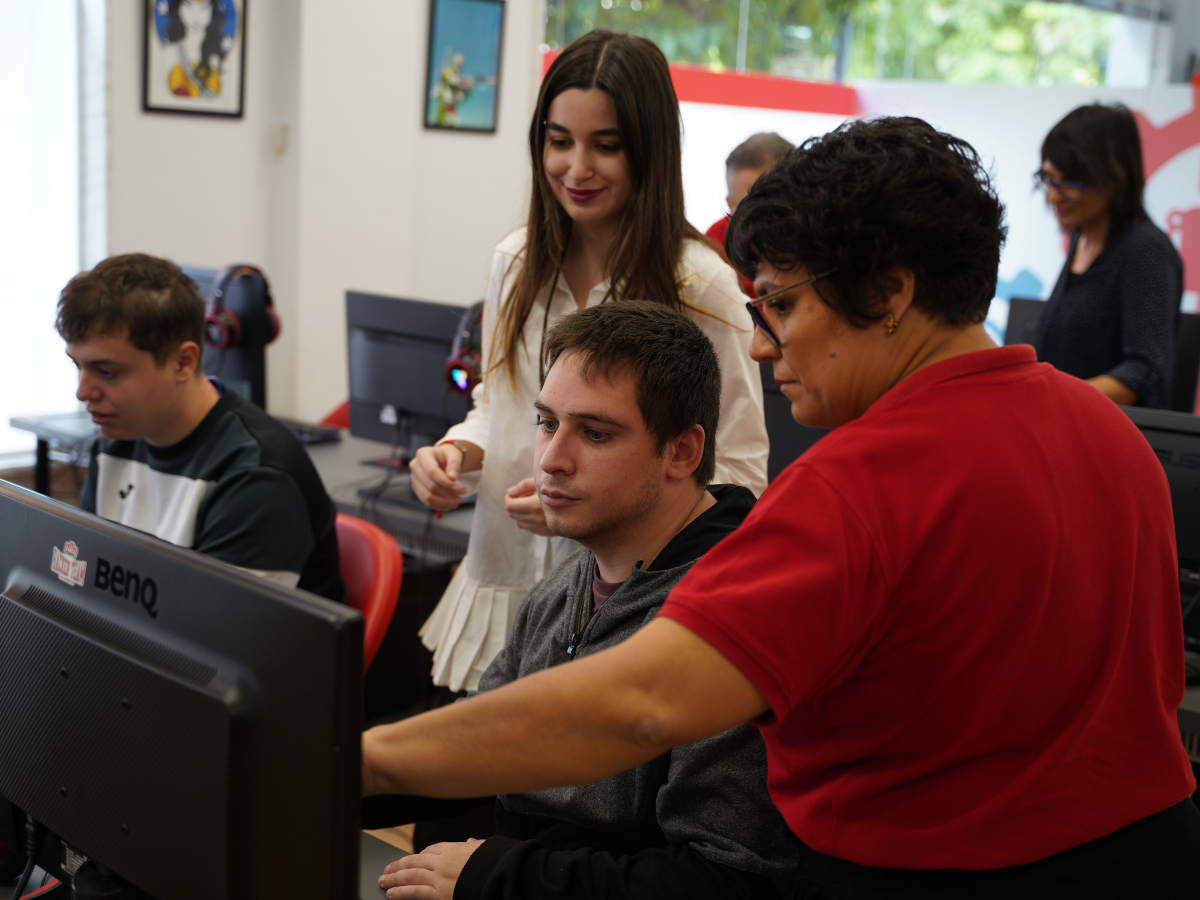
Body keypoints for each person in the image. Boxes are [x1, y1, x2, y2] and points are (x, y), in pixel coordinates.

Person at [363, 117, 1200, 898]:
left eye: (784, 305)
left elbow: (642, 703)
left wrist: (367, 758)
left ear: (891, 290)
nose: (762, 345)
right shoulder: (1114, 435)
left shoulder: (865, 481)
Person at [368, 301, 799, 900]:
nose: (551, 459)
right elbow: (484, 745)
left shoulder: (732, 618)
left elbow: (726, 878)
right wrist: (331, 771)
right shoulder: (567, 583)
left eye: (595, 433)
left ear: (681, 452)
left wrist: (496, 876)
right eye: (547, 423)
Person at [411, 30, 769, 692]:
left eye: (605, 146)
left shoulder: (700, 284)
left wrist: (598, 510)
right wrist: (456, 454)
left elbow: (740, 478)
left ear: (649, 150)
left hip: (627, 612)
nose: (576, 168)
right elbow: (500, 408)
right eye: (558, 141)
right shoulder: (515, 263)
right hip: (504, 577)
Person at [56, 253, 344, 602]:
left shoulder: (256, 478)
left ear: (183, 362)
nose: (83, 391)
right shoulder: (115, 444)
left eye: (107, 372)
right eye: (78, 366)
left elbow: (213, 643)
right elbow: (89, 589)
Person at [1033, 102, 1183, 409]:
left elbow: (1145, 371)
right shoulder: (1083, 239)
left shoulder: (1146, 251)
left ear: (1116, 177)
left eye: (1069, 184)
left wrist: (1055, 400)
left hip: (1105, 434)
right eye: (1048, 178)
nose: (1054, 194)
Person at [705, 131, 794, 296]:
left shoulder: (818, 246)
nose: (761, 222)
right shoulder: (715, 248)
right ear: (730, 205)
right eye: (747, 209)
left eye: (772, 205)